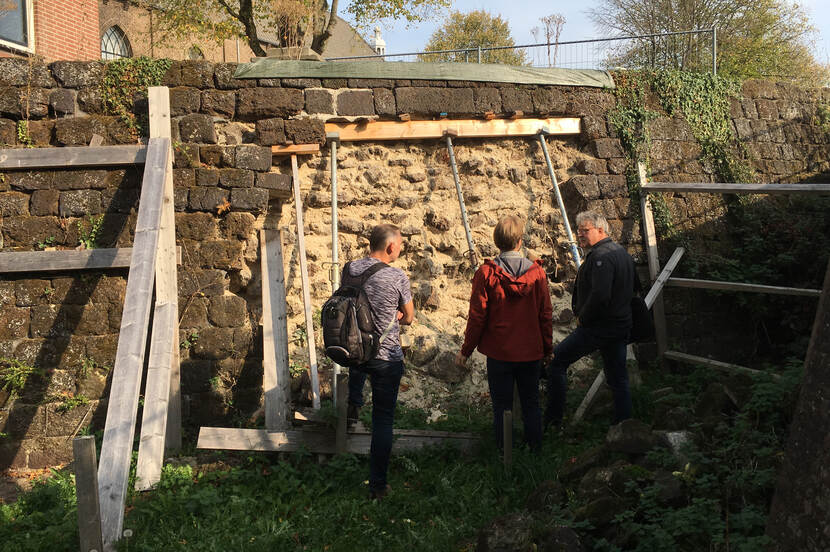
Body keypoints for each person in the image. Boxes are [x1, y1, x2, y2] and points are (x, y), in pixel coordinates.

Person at [455, 215, 553, 452]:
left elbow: (477, 317)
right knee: (531, 403)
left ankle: (504, 453)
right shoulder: (537, 274)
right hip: (530, 352)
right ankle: (535, 452)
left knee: (501, 405)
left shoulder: (486, 274)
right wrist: (548, 349)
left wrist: (465, 351)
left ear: (497, 241)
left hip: (499, 353)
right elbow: (545, 315)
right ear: (520, 241)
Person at [544, 210, 636, 428]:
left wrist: (583, 318)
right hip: (619, 325)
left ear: (601, 230)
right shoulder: (622, 253)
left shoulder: (601, 257)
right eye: (578, 231)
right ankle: (624, 425)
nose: (580, 235)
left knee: (556, 362)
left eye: (585, 231)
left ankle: (553, 422)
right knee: (618, 377)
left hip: (598, 328)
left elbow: (601, 295)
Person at [345, 224, 414, 500]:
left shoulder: (349, 269)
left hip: (355, 350)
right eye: (399, 245)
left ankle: (353, 403)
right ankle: (378, 486)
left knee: (359, 362)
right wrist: (397, 315)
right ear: (390, 247)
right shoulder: (396, 276)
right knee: (383, 420)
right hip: (385, 357)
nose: (399, 249)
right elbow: (408, 317)